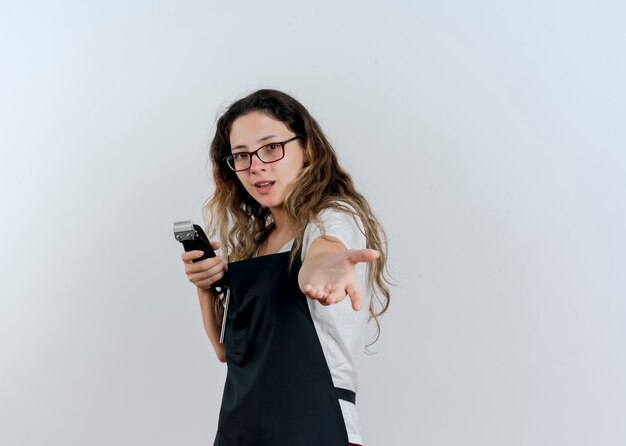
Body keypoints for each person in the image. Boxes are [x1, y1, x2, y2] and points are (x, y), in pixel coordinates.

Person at [181, 89, 390, 446]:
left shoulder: (332, 219)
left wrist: (324, 267)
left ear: (306, 148)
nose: (256, 165)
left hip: (314, 428)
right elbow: (226, 352)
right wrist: (205, 288)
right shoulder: (257, 244)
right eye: (241, 156)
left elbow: (324, 253)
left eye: (271, 147)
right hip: (242, 430)